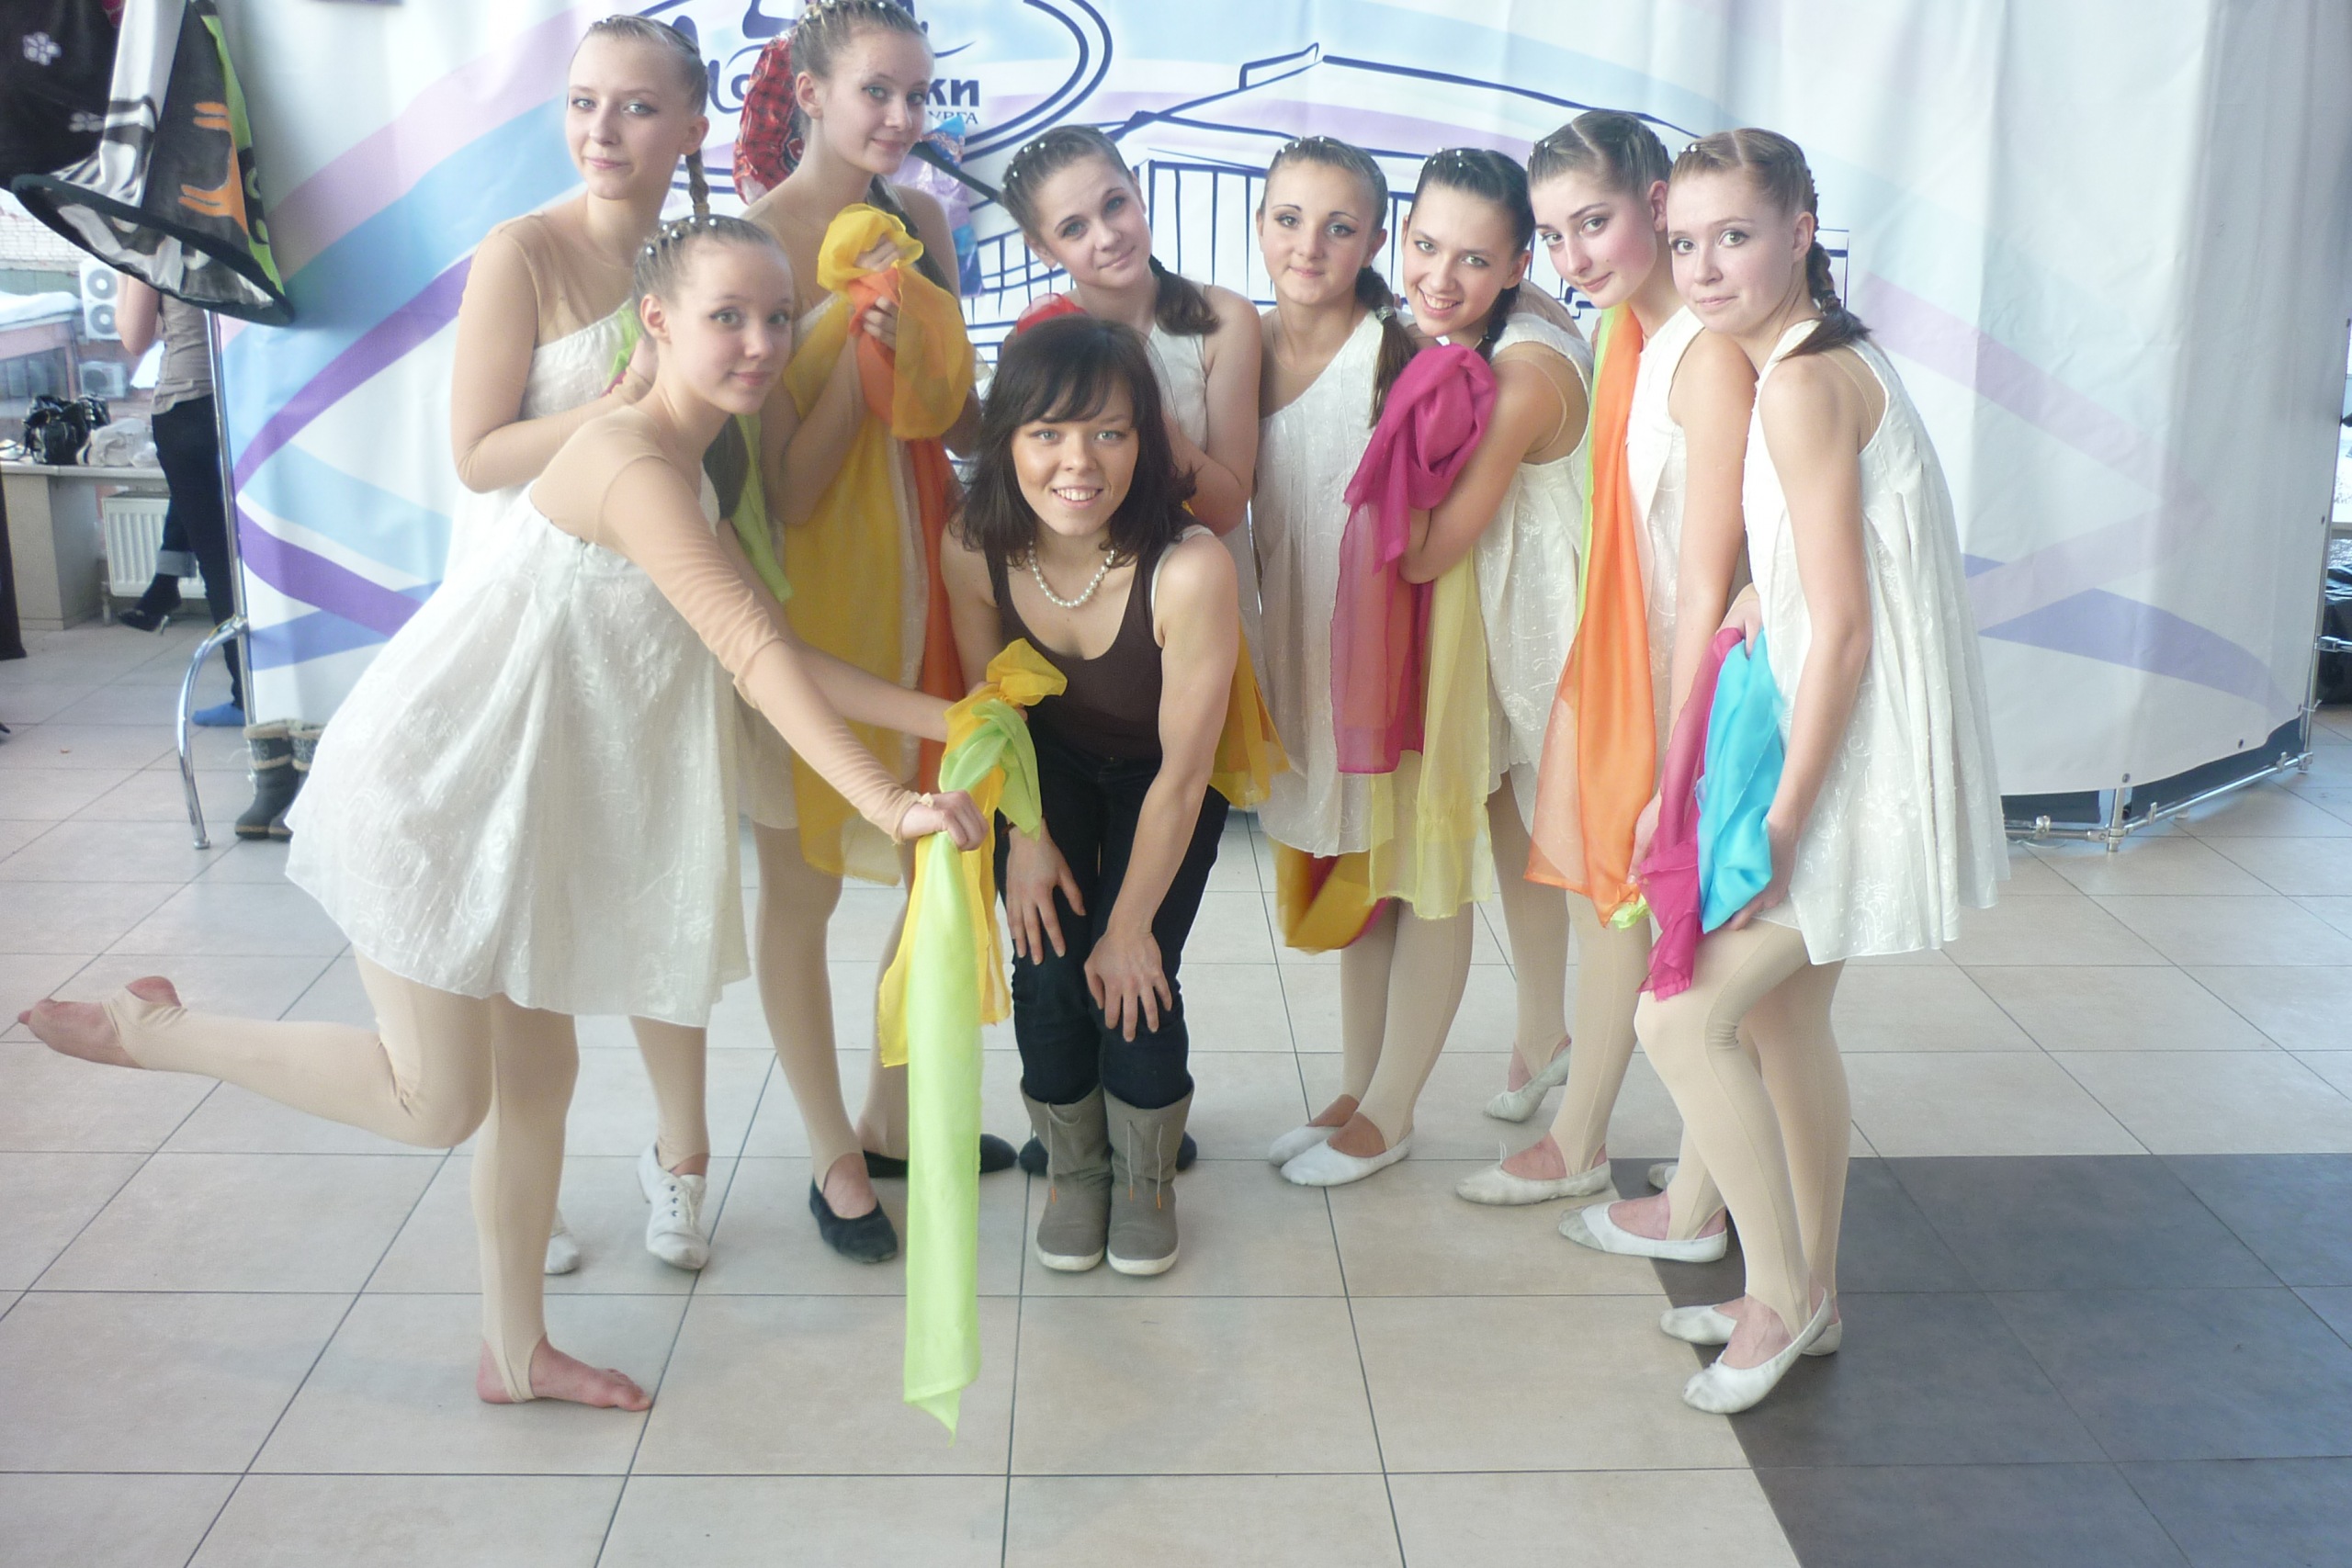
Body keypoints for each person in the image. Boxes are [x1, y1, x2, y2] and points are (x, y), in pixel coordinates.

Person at [17, 214, 984, 1411]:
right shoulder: (630, 462)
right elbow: (749, 651)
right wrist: (890, 798)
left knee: (539, 1078)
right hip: (432, 788)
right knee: (437, 1099)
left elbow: (772, 641)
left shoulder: (682, 469)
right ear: (658, 321)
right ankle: (149, 1028)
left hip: (515, 809)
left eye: (778, 317)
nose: (760, 341)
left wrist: (953, 716)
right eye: (727, 316)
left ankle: (513, 1352)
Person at [1589, 129, 2004, 1414]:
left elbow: (1852, 632)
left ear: (1802, 230)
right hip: (1852, 735)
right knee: (1781, 1020)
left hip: (1848, 758)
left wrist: (1775, 818)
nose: (1706, 267)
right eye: (1688, 241)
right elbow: (1826, 574)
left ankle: (1777, 1295)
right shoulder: (1813, 359)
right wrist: (1755, 599)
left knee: (1678, 1017)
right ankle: (1811, 1289)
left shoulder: (1799, 384)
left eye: (1737, 237)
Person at [442, 14, 729, 1279]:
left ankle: (682, 1159)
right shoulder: (521, 252)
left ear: (692, 126)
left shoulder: (702, 258)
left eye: (636, 106)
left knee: (667, 881)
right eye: (582, 102)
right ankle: (531, 1179)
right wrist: (614, 412)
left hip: (659, 612)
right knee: (533, 892)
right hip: (534, 613)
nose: (602, 129)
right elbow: (477, 455)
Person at [738, 0, 1014, 1264]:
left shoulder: (925, 225)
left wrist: (925, 354)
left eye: (919, 95)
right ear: (808, 92)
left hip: (928, 566)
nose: (904, 118)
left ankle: (892, 1116)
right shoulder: (754, 246)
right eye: (877, 92)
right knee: (797, 882)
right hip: (802, 596)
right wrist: (860, 354)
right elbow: (787, 490)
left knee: (939, 852)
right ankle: (829, 1152)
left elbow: (959, 426)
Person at [1454, 113, 1756, 1257]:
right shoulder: (1623, 328)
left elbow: (1717, 565)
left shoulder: (1704, 351)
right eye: (1552, 234)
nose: (1574, 255)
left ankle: (1697, 1187)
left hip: (1696, 668)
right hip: (1635, 650)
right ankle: (1593, 1138)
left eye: (1594, 222)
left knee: (1692, 922)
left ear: (1658, 202)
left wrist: (1683, 737)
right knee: (1623, 903)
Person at [1266, 147, 1591, 1188]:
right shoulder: (1463, 327)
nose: (1440, 277)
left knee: (1430, 867)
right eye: (1425, 246)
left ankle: (1392, 1111)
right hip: (1463, 627)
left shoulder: (1508, 368)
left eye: (1473, 259)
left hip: (1502, 638)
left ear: (1518, 263)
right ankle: (1377, 1084)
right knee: (1405, 858)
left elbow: (1428, 548)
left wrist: (1372, 469)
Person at [941, 313, 1238, 1276]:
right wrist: (1023, 839)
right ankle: (1076, 1170)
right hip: (1044, 765)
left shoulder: (1190, 566)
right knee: (1047, 966)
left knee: (1131, 970)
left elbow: (1184, 773)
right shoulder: (973, 543)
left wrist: (1130, 921)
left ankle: (1144, 1177)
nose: (1079, 462)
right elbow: (994, 713)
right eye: (1047, 433)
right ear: (1007, 441)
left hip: (1167, 778)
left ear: (1145, 441)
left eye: (1109, 431)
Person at [997, 125, 1262, 647]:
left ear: (1138, 191)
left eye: (1114, 204)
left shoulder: (1224, 320)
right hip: (1085, 614)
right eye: (1074, 228)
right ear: (1041, 247)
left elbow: (1229, 509)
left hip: (1201, 605)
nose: (1106, 236)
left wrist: (1138, 410)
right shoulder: (1035, 340)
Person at [114, 276, 242, 727]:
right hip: (245, 396)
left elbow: (135, 337)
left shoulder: (155, 246)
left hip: (188, 401)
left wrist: (124, 270)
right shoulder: (238, 233)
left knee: (219, 563)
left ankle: (246, 697)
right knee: (242, 550)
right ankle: (164, 582)